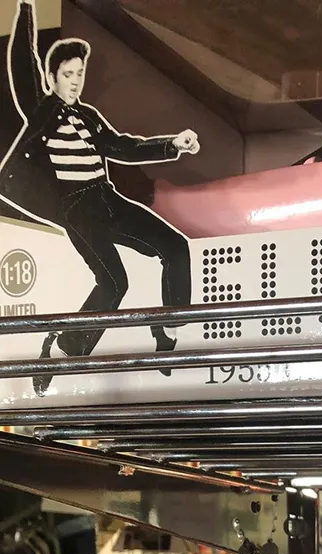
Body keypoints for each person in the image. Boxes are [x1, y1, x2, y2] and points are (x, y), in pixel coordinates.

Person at [0, 0, 201, 396]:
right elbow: (22, 60)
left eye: (80, 73)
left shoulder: (89, 116)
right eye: (68, 74)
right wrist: (24, 8)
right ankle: (60, 347)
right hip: (77, 206)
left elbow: (122, 147)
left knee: (176, 246)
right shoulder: (43, 111)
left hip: (106, 198)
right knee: (113, 282)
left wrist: (171, 144)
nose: (75, 81)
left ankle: (169, 328)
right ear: (52, 77)